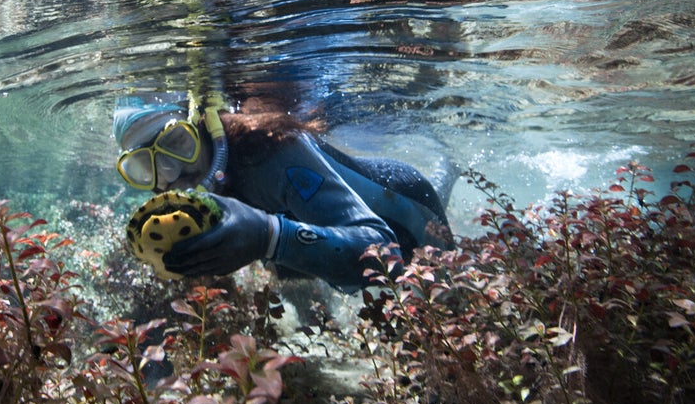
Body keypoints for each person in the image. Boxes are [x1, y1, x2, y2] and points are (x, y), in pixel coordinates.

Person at [113, 93, 452, 291]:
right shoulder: (200, 190)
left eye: (177, 143)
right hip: (346, 229)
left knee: (448, 297)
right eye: (145, 167)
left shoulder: (271, 150)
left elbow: (381, 250)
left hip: (407, 207)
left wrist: (270, 237)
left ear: (201, 124)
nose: (170, 174)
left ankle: (447, 171)